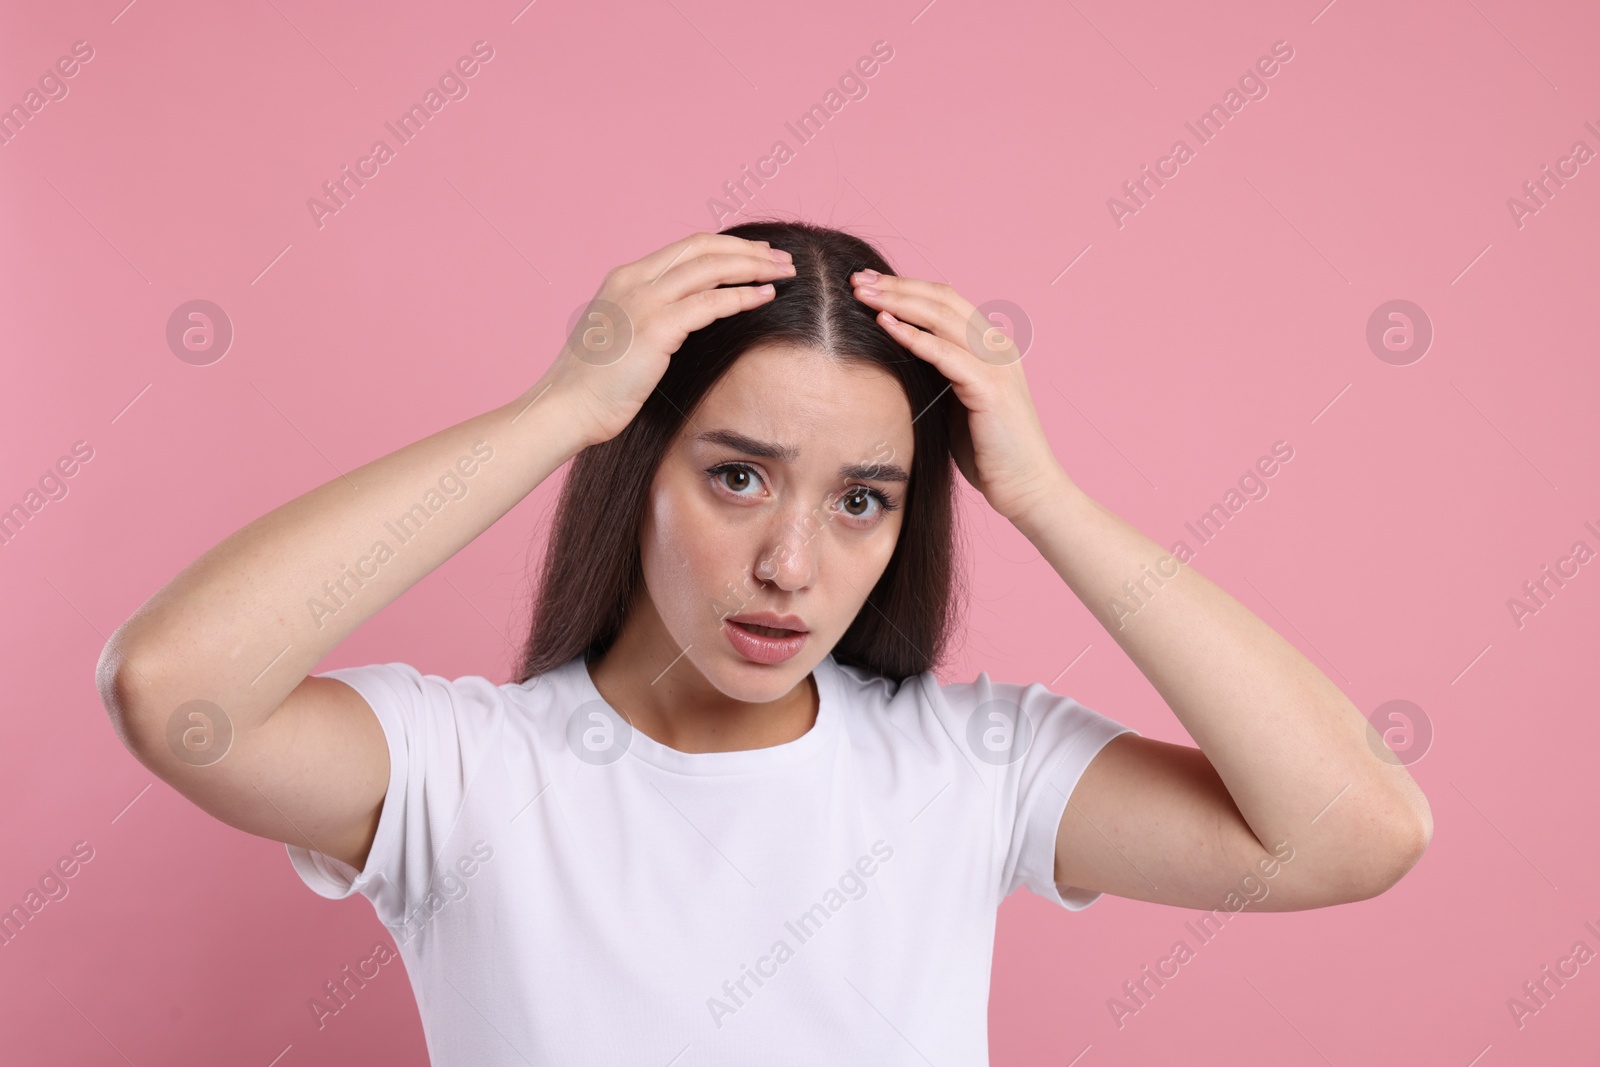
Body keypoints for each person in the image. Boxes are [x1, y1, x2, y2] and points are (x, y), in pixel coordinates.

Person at [96, 220, 1432, 1064]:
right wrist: (559, 410)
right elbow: (171, 688)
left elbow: (1357, 830)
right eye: (739, 476)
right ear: (638, 471)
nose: (792, 566)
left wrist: (1045, 499)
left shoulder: (972, 767)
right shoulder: (464, 773)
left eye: (863, 500)